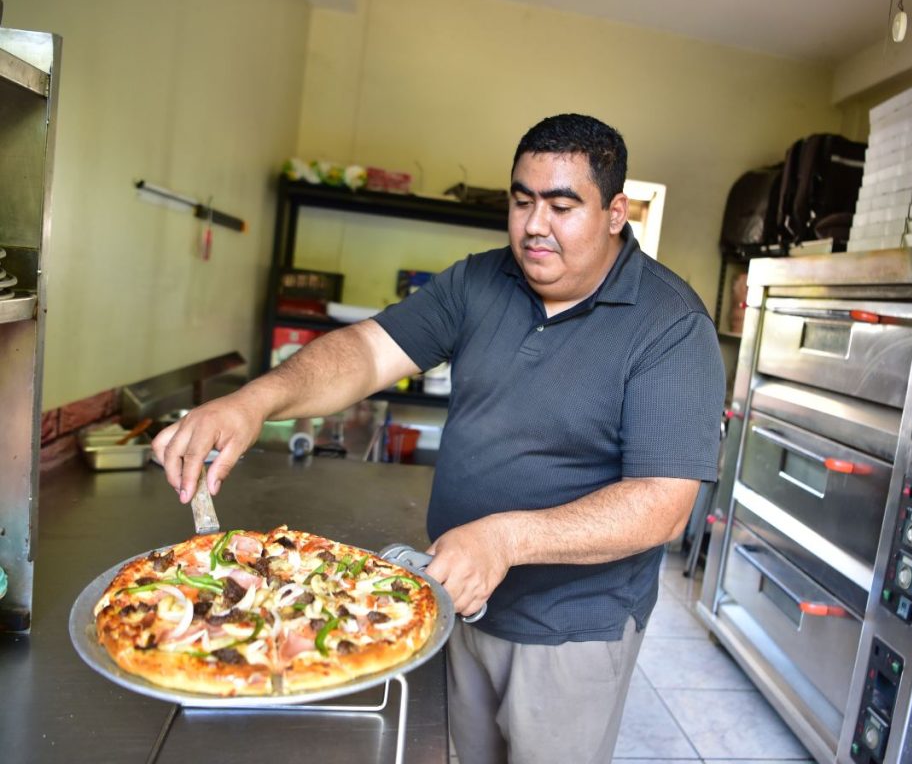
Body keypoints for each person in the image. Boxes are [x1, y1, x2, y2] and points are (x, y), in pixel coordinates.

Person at [153, 113, 725, 763]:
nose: (535, 225)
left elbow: (663, 503)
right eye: (521, 201)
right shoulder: (480, 280)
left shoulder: (670, 326)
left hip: (571, 633)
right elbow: (366, 354)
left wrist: (508, 538)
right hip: (452, 595)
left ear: (617, 211)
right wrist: (256, 401)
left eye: (562, 206)